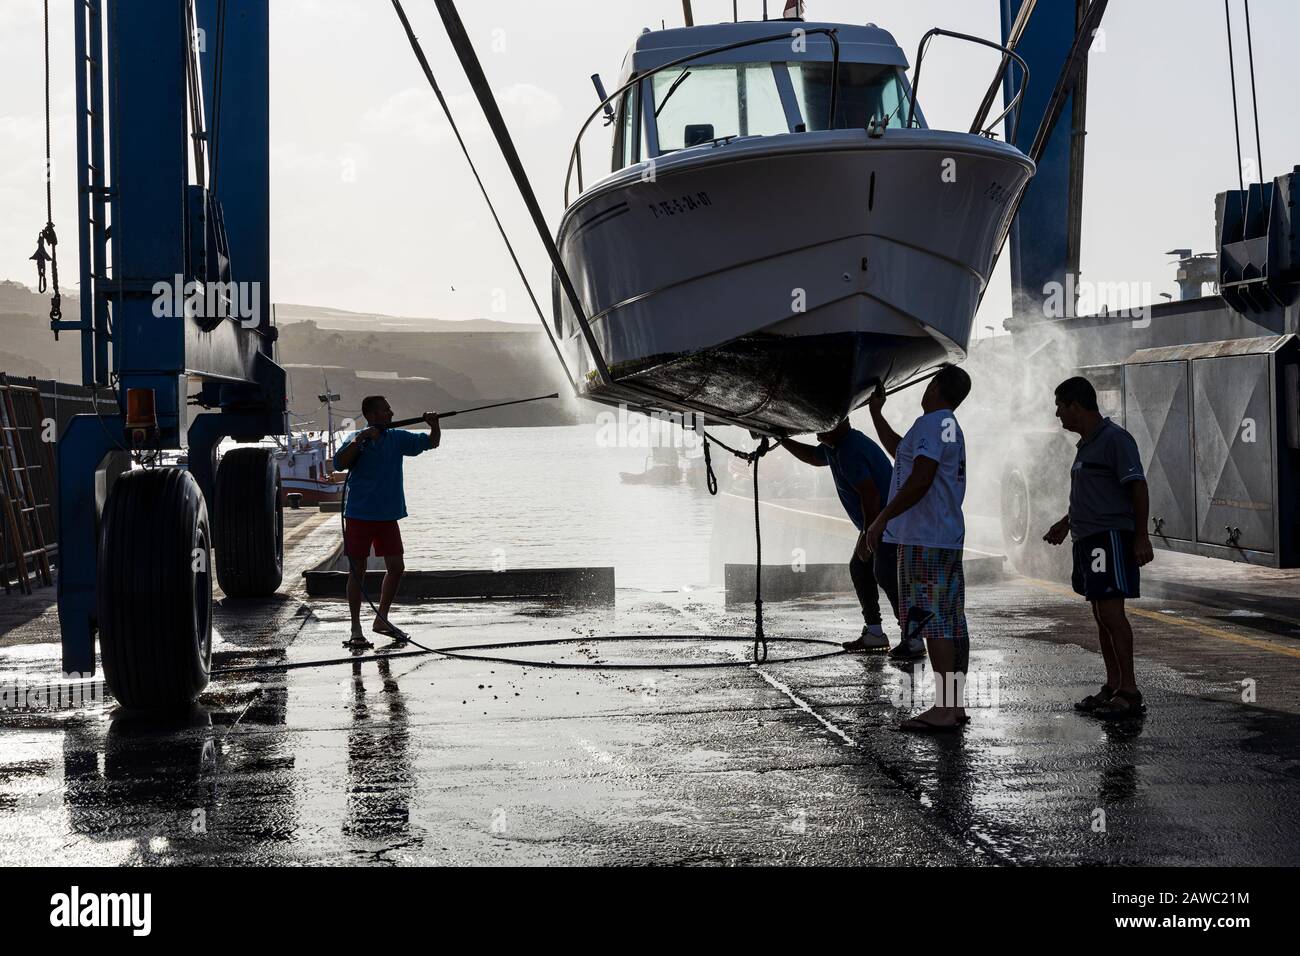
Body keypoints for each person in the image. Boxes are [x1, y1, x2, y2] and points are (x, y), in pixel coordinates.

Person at [865, 365, 971, 731]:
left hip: (923, 539)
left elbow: (921, 477)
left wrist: (882, 519)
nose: (924, 388)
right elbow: (902, 455)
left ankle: (944, 709)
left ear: (937, 386)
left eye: (930, 382)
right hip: (944, 537)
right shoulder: (946, 426)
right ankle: (954, 706)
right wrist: (877, 415)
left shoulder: (931, 424)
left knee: (933, 622)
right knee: (952, 622)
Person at [1042, 376, 1154, 719]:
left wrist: (1141, 536)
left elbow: (1137, 487)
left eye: (1060, 406)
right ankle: (1113, 685)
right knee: (1100, 616)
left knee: (1111, 615)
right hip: (1088, 541)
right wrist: (1066, 523)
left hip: (1110, 539)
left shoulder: (1114, 440)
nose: (1058, 414)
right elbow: (1092, 496)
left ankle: (1130, 691)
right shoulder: (1087, 444)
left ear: (1076, 405)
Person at [780, 418, 899, 651]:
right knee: (860, 568)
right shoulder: (837, 446)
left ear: (837, 425)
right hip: (879, 520)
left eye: (823, 425)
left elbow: (871, 496)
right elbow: (814, 457)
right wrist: (782, 440)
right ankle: (875, 632)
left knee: (886, 575)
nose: (817, 432)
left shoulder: (849, 451)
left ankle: (911, 636)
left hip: (889, 522)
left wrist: (867, 535)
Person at [333, 396, 441, 649]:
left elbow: (431, 443)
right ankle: (355, 629)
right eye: (385, 410)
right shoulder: (357, 438)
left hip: (388, 515)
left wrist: (434, 425)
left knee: (396, 566)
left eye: (390, 409)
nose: (391, 413)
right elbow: (340, 463)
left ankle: (381, 619)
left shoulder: (398, 437)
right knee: (357, 571)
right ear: (371, 415)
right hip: (359, 514)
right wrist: (361, 440)